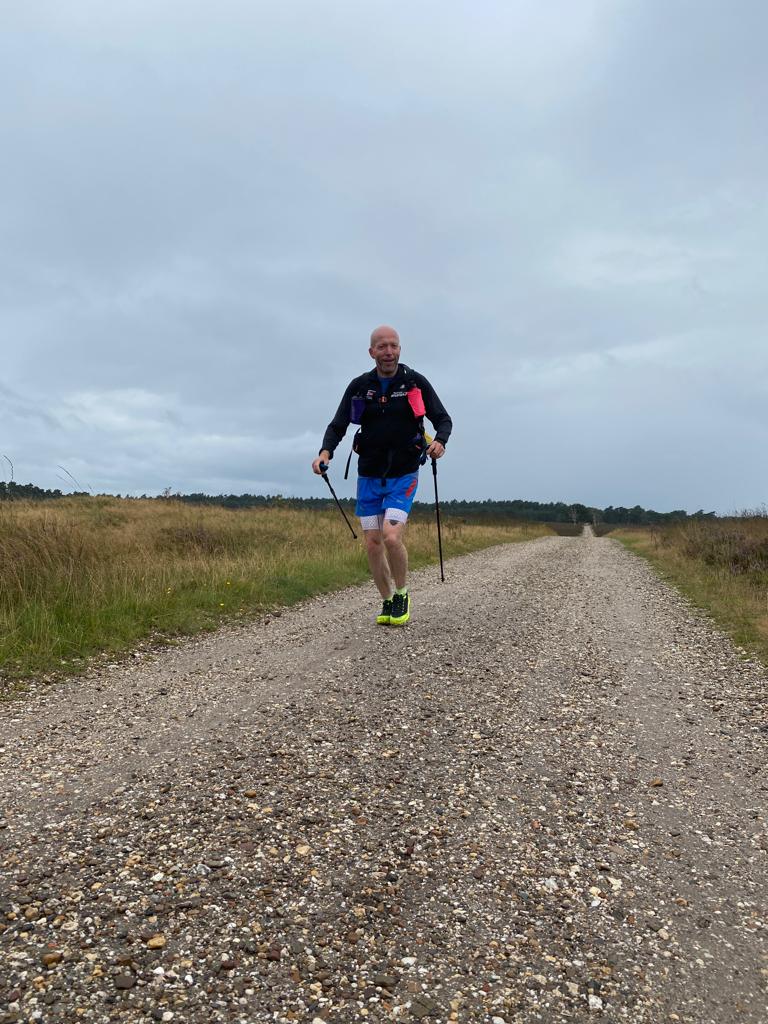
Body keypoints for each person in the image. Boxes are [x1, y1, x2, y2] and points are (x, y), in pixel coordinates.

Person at [312, 325, 452, 626]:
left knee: (390, 536)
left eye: (393, 346)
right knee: (373, 543)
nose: (388, 352)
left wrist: (440, 441)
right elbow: (338, 425)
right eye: (382, 346)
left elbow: (443, 418)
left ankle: (402, 593)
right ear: (371, 352)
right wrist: (325, 453)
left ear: (400, 349)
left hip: (404, 474)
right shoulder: (360, 386)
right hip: (369, 476)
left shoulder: (414, 382)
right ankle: (387, 599)